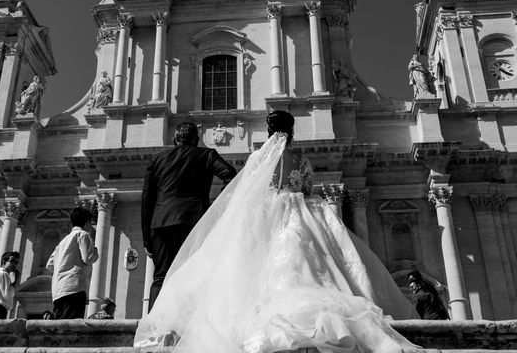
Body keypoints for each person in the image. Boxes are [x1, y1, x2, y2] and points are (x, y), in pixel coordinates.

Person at [135, 111, 421, 353]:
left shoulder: (257, 158)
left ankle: (161, 325)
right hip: (300, 213)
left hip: (243, 214)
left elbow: (244, 189)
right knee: (318, 265)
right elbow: (306, 189)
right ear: (292, 131)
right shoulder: (302, 160)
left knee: (231, 269)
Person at [141, 121, 237, 311]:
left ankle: (153, 330)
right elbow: (230, 174)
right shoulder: (207, 155)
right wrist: (216, 208)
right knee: (194, 275)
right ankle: (187, 329)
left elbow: (147, 201)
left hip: (161, 223)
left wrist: (147, 238)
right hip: (195, 223)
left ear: (175, 138)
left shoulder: (157, 159)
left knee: (160, 278)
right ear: (197, 139)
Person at [46, 207, 99, 319]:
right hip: (74, 287)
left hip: (58, 290)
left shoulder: (63, 241)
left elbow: (49, 265)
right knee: (71, 327)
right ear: (87, 222)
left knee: (59, 326)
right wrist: (95, 251)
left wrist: (63, 266)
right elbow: (88, 258)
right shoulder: (83, 234)